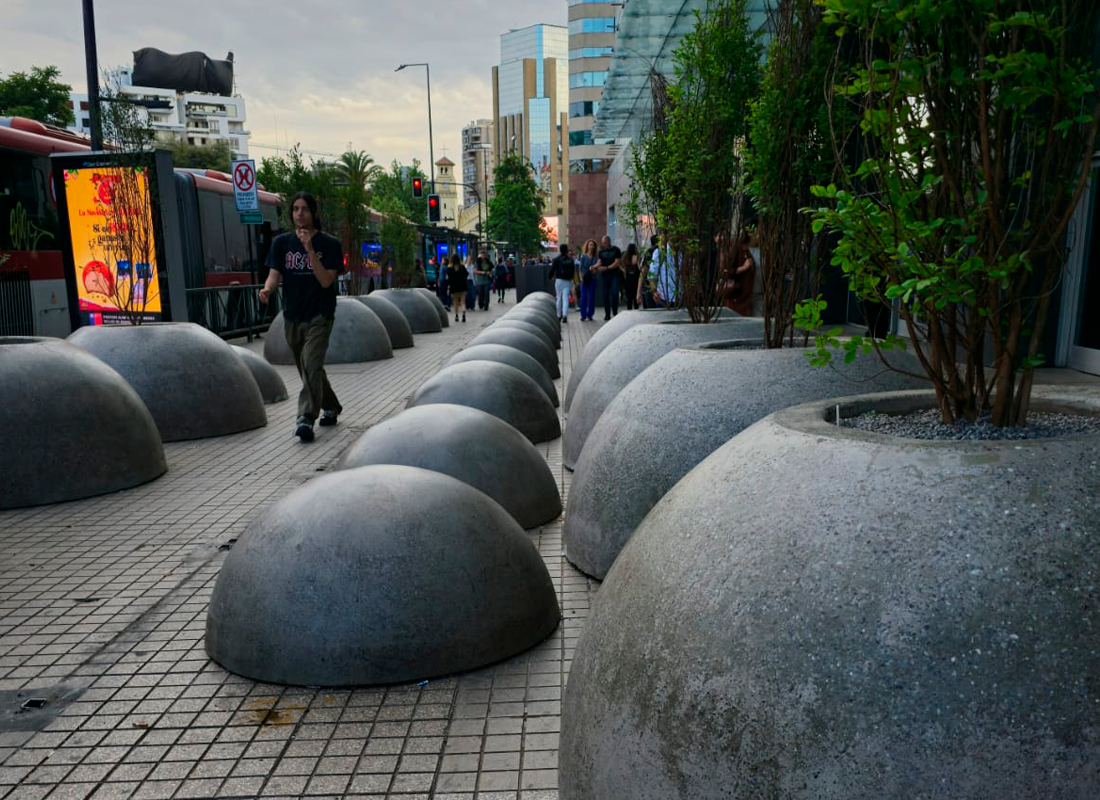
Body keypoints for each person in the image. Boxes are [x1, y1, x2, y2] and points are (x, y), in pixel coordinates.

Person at [258, 192, 344, 443]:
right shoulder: (281, 243)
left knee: (310, 362)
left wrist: (309, 249)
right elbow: (275, 273)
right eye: (295, 209)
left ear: (314, 213)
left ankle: (306, 418)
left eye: (304, 209)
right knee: (309, 368)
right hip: (293, 315)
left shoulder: (329, 244)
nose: (299, 213)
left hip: (320, 314)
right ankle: (331, 405)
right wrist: (268, 289)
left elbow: (326, 280)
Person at [718, 230, 756, 316]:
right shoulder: (733, 251)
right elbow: (724, 272)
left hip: (745, 295)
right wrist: (743, 268)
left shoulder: (747, 252)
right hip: (735, 295)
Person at [640, 235, 679, 309]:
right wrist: (654, 292)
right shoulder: (659, 252)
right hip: (663, 297)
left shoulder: (683, 253)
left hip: (681, 298)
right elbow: (652, 274)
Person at [595, 235, 623, 320]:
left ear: (609, 242)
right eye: (603, 243)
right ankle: (607, 314)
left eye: (605, 243)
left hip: (614, 274)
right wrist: (594, 266)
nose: (603, 245)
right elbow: (599, 262)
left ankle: (614, 311)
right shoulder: (601, 251)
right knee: (605, 295)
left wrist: (607, 267)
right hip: (605, 276)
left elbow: (617, 262)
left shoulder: (616, 250)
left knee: (614, 293)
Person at [551, 243, 575, 323]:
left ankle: (558, 315)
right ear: (567, 250)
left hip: (559, 280)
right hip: (568, 281)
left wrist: (549, 277)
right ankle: (565, 315)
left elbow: (552, 270)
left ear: (560, 250)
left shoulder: (556, 259)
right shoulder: (571, 260)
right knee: (565, 298)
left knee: (559, 298)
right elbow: (573, 271)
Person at [578, 239, 599, 321]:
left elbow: (597, 268)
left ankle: (590, 314)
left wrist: (595, 270)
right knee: (583, 297)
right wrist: (581, 278)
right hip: (584, 279)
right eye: (590, 245)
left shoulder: (596, 257)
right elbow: (580, 269)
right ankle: (583, 315)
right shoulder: (583, 256)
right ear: (587, 246)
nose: (591, 246)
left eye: (593, 245)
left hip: (592, 279)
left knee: (591, 297)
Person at [448, 254, 468, 322]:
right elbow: (466, 274)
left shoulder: (450, 268)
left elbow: (449, 278)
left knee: (455, 301)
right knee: (463, 301)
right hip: (462, 285)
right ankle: (463, 312)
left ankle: (456, 315)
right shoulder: (462, 267)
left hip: (454, 286)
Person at [622, 242, 641, 311]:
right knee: (635, 293)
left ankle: (629, 308)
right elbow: (639, 267)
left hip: (628, 277)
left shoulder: (625, 256)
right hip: (636, 276)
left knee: (629, 295)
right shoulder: (637, 256)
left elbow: (622, 267)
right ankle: (636, 308)